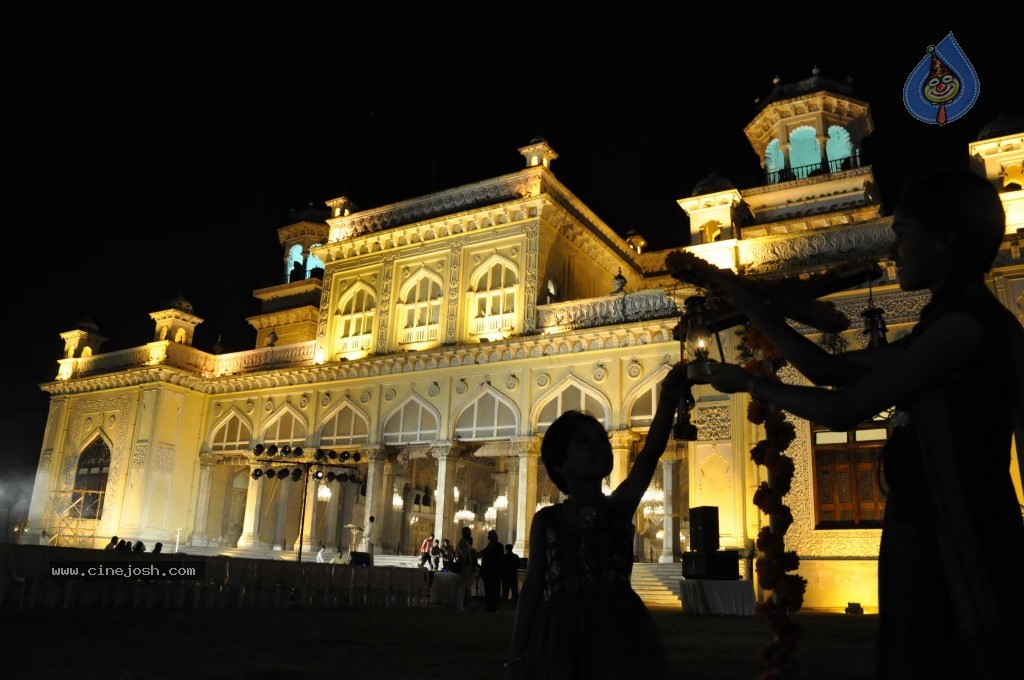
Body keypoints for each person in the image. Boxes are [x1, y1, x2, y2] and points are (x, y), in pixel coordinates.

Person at [698, 170, 1024, 679]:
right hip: (927, 529)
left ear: (944, 239)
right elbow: (827, 370)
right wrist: (749, 305)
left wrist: (754, 385)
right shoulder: (947, 323)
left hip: (959, 537)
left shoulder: (966, 327)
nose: (895, 251)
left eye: (902, 234)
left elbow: (844, 406)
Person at [506, 362, 687, 679]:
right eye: (584, 443)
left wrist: (669, 397)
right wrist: (516, 656)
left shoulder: (618, 508)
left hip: (619, 631)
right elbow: (532, 590)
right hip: (562, 637)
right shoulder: (547, 521)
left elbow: (649, 454)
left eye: (601, 440)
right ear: (561, 464)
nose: (600, 448)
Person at [479, 530, 505, 612]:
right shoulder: (490, 545)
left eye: (489, 535)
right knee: (489, 590)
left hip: (494, 571)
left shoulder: (498, 546)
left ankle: (493, 607)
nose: (488, 536)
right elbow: (484, 552)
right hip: (488, 571)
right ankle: (490, 606)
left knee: (494, 590)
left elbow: (495, 558)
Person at [454, 526, 476, 611]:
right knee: (463, 586)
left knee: (463, 586)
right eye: (469, 532)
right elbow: (465, 554)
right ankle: (460, 605)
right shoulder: (463, 542)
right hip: (464, 566)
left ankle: (462, 604)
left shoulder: (462, 542)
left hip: (464, 565)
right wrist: (468, 564)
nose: (470, 533)